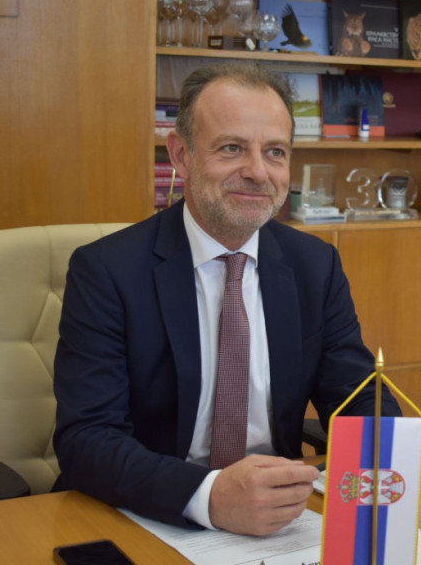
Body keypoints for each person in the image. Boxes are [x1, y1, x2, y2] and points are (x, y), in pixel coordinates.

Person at [52, 61, 401, 536]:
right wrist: (208, 497)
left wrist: (385, 468)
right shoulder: (107, 271)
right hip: (147, 515)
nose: (257, 172)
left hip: (279, 521)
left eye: (275, 152)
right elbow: (87, 439)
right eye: (232, 148)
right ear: (182, 155)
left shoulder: (315, 266)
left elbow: (359, 398)